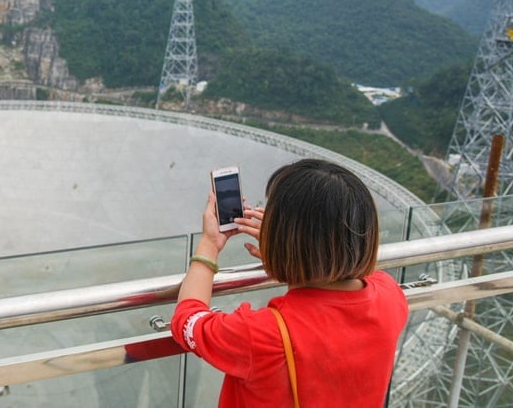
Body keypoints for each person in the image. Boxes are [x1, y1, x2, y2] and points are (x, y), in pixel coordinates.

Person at [171, 159, 409, 407]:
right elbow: (353, 270)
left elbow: (187, 321)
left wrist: (210, 243)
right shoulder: (390, 296)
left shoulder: (261, 335)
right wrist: (290, 251)